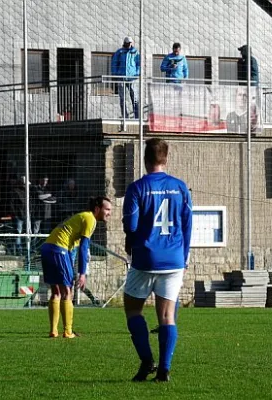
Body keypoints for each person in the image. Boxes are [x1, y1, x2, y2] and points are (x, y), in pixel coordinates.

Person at [122, 138, 193, 383]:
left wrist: (130, 239)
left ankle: (146, 360)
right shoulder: (180, 187)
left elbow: (131, 224)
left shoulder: (137, 188)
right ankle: (164, 369)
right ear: (166, 158)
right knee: (167, 316)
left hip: (145, 258)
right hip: (174, 259)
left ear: (145, 159)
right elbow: (187, 225)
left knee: (133, 310)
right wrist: (184, 257)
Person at [41, 196, 112, 338]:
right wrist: (82, 273)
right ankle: (68, 332)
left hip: (47, 248)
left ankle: (53, 331)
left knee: (56, 290)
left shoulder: (80, 217)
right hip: (59, 249)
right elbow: (84, 247)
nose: (109, 213)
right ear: (97, 209)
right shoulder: (90, 218)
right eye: (107, 209)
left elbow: (74, 247)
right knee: (67, 290)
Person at [111, 36, 141, 119]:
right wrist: (115, 73)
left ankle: (137, 117)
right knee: (122, 98)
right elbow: (114, 63)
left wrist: (137, 73)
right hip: (121, 77)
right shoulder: (119, 52)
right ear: (125, 43)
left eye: (130, 43)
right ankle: (125, 116)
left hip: (132, 78)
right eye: (128, 43)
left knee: (135, 98)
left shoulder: (135, 52)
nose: (129, 45)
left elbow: (139, 64)